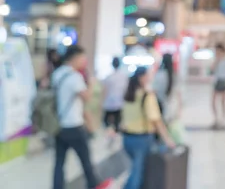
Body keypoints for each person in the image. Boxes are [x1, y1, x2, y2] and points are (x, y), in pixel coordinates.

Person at [51, 46, 112, 189]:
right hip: (74, 125)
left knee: (59, 162)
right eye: (83, 58)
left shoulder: (57, 73)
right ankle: (94, 184)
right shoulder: (74, 77)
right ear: (75, 58)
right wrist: (90, 83)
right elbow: (87, 97)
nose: (84, 62)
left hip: (59, 124)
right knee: (86, 159)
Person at [121, 67, 175, 189]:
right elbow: (156, 121)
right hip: (142, 139)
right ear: (141, 78)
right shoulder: (147, 96)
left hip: (127, 138)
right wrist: (168, 140)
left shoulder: (129, 94)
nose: (150, 77)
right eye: (148, 75)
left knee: (136, 168)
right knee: (138, 172)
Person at [102, 57, 129, 137]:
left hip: (109, 102)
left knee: (106, 121)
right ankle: (114, 134)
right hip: (119, 103)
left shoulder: (109, 77)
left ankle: (111, 133)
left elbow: (105, 91)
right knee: (117, 121)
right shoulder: (124, 77)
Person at [211, 43, 225, 127]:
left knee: (223, 101)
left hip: (224, 81)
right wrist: (217, 61)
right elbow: (212, 70)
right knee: (213, 101)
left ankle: (224, 118)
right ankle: (216, 118)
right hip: (217, 81)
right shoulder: (216, 60)